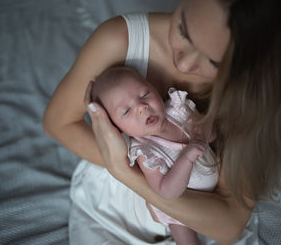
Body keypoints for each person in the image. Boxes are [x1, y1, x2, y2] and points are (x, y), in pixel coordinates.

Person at [43, 0, 281, 244]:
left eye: (214, 63)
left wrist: (126, 172)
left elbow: (228, 226)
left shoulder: (255, 97)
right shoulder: (118, 40)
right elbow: (58, 123)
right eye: (182, 30)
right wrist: (133, 169)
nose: (184, 64)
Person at [90, 66, 219, 244]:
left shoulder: (179, 110)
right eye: (126, 111)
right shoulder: (146, 152)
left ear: (154, 89)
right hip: (179, 205)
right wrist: (187, 157)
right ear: (118, 128)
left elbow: (213, 136)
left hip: (213, 195)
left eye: (144, 94)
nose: (142, 107)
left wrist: (202, 131)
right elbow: (166, 192)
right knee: (183, 233)